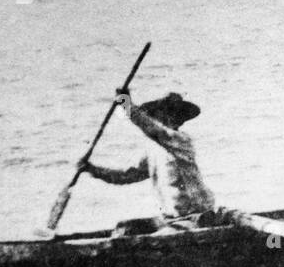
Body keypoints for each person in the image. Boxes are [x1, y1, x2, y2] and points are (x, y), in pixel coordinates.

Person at [79, 89, 217, 235]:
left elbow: (152, 129)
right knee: (123, 229)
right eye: (161, 115)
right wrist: (92, 170)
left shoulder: (180, 140)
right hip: (170, 218)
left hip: (197, 217)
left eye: (171, 115)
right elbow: (129, 176)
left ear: (178, 120)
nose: (164, 119)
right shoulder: (154, 150)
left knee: (163, 235)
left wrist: (126, 103)